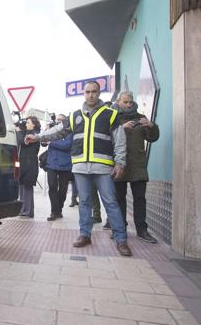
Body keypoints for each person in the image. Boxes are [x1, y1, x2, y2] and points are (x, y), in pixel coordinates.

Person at [25, 81, 133, 256]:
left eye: (94, 92)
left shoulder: (110, 115)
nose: (91, 95)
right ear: (84, 94)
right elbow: (58, 131)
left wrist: (120, 163)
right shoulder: (75, 115)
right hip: (81, 167)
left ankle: (121, 239)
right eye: (88, 92)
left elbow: (120, 141)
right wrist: (37, 137)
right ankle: (85, 235)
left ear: (99, 93)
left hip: (103, 167)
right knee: (84, 202)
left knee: (111, 202)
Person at [113, 91, 160, 243]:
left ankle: (142, 230)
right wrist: (121, 129)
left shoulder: (140, 118)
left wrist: (151, 126)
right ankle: (120, 229)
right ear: (118, 102)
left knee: (140, 198)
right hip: (119, 165)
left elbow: (152, 138)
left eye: (130, 102)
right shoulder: (112, 118)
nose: (128, 104)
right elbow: (105, 138)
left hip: (138, 166)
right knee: (119, 199)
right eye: (125, 102)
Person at [43, 114, 73, 221]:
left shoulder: (70, 132)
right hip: (52, 163)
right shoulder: (52, 131)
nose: (58, 122)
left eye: (61, 120)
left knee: (63, 190)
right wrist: (46, 132)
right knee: (52, 187)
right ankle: (53, 211)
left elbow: (66, 145)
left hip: (65, 165)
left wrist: (51, 141)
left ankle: (59, 209)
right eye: (57, 120)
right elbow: (43, 143)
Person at [16, 116, 41, 218]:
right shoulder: (26, 133)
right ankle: (24, 210)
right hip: (24, 163)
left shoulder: (35, 135)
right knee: (22, 186)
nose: (26, 124)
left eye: (28, 122)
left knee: (27, 187)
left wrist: (18, 131)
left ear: (33, 124)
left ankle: (27, 211)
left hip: (30, 164)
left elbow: (23, 142)